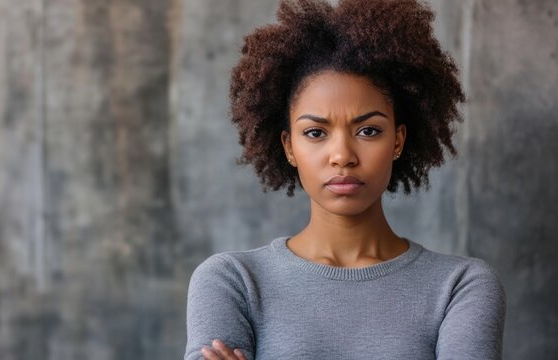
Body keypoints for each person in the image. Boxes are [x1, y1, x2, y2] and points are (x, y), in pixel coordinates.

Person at [184, 0, 506, 359]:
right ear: (289, 147)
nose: (343, 155)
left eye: (368, 130)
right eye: (316, 133)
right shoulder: (233, 282)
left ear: (397, 141)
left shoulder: (460, 287)